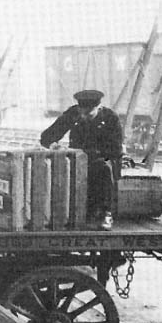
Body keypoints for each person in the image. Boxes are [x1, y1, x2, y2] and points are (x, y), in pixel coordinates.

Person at [40, 89, 122, 230]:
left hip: (102, 159)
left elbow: (116, 149)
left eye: (89, 114)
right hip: (77, 161)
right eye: (82, 113)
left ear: (98, 108)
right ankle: (64, 213)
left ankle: (105, 214)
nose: (84, 117)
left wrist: (92, 154)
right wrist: (53, 145)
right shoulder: (73, 114)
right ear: (78, 108)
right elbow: (47, 136)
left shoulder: (110, 118)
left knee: (103, 169)